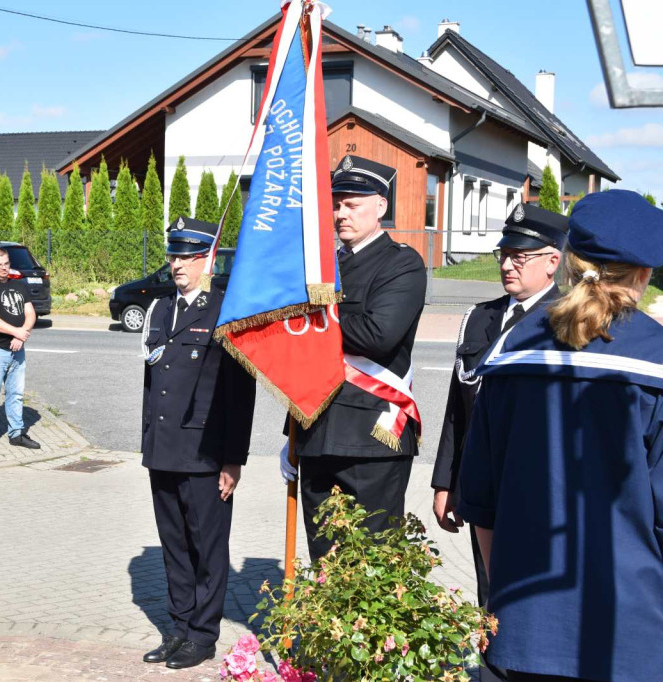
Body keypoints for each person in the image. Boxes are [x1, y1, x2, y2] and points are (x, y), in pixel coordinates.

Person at [458, 190, 663, 682]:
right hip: (632, 627)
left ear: (568, 260)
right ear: (642, 273)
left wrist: (503, 594)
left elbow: (480, 501)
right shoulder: (655, 359)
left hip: (523, 622)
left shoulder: (510, 347)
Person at [431, 204, 566, 682]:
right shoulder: (482, 318)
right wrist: (445, 481)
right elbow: (457, 406)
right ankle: (495, 668)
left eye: (520, 256)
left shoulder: (568, 322)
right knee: (489, 595)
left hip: (538, 490)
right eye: (503, 254)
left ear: (553, 260)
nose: (507, 264)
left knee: (535, 599)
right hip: (482, 486)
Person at [279, 155, 426, 562]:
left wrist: (315, 315)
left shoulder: (401, 262)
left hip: (371, 437)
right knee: (323, 559)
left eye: (353, 204)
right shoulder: (325, 266)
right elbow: (302, 354)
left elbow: (379, 336)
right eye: (337, 204)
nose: (341, 214)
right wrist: (289, 432)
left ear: (380, 207)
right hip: (316, 430)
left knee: (369, 565)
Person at [139, 217, 256, 670]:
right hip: (164, 447)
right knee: (174, 545)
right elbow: (154, 384)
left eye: (187, 255)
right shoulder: (160, 309)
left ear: (207, 257)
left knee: (207, 546)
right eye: (173, 255)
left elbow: (238, 392)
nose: (177, 264)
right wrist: (148, 441)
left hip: (206, 451)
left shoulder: (224, 311)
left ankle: (203, 635)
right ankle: (180, 628)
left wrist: (233, 458)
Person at [0, 247, 39, 453]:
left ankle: (16, 433)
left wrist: (22, 333)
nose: (4, 268)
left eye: (6, 264)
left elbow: (30, 313)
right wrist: (16, 332)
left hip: (17, 350)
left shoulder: (19, 285)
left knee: (16, 394)